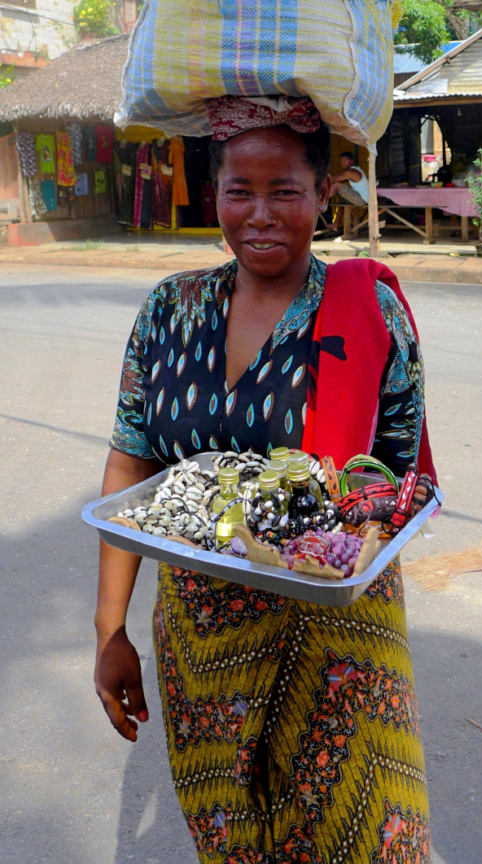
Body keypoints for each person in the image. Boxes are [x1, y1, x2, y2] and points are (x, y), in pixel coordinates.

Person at [94, 95, 434, 864]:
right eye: (238, 191)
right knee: (231, 836)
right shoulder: (170, 310)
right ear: (213, 194)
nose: (259, 214)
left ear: (324, 192)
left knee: (357, 833)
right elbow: (130, 461)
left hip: (336, 630)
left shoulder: (366, 310)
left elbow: (394, 481)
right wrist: (108, 629)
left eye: (284, 190)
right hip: (202, 640)